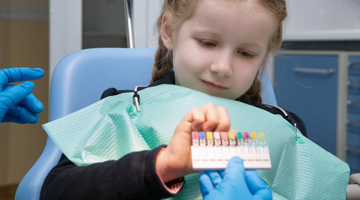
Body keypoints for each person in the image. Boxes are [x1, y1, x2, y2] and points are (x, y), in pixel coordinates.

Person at [41, 0, 307, 199]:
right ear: (169, 31)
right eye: (207, 43)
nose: (223, 67)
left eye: (246, 53)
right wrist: (162, 165)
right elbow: (55, 192)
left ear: (264, 55)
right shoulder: (125, 111)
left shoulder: (284, 130)